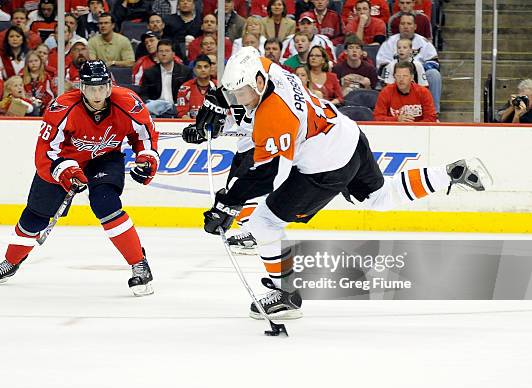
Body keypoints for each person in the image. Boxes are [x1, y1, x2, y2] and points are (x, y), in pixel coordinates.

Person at [182, 47, 489, 319]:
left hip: (324, 169)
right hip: (347, 135)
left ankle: (285, 296)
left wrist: (228, 202)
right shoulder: (266, 66)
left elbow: (269, 175)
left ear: (260, 82)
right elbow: (240, 81)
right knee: (381, 197)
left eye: (246, 94)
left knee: (264, 222)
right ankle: (448, 174)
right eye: (238, 94)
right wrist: (219, 100)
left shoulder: (275, 115)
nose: (243, 100)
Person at [0, 60, 159, 298]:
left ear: (109, 86)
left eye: (101, 88)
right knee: (36, 216)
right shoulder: (62, 108)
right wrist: (65, 171)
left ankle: (139, 263)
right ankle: (11, 261)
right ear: (81, 87)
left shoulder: (129, 103)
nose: (97, 95)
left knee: (105, 203)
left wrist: (147, 158)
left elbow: (145, 137)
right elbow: (45, 153)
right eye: (91, 88)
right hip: (65, 161)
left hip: (104, 159)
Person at [376, 13, 441, 113]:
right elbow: (381, 65)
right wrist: (400, 71)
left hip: (418, 76)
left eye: (409, 23)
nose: (406, 26)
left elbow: (435, 62)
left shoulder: (423, 42)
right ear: (399, 26)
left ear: (415, 26)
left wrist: (415, 70)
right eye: (403, 23)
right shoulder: (389, 42)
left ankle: (433, 112)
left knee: (434, 74)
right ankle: (392, 111)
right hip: (396, 77)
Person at [140, 39, 193, 117]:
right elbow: (144, 95)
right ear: (157, 54)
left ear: (173, 54)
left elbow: (190, 94)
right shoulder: (149, 72)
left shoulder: (184, 72)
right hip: (156, 110)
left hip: (177, 108)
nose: (163, 54)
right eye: (161, 51)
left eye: (167, 51)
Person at [21, 50, 56, 114]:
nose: (33, 63)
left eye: (36, 61)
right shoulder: (22, 77)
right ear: (27, 64)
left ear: (40, 62)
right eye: (30, 61)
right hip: (28, 108)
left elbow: (51, 95)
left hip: (44, 108)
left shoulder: (46, 77)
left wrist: (44, 103)